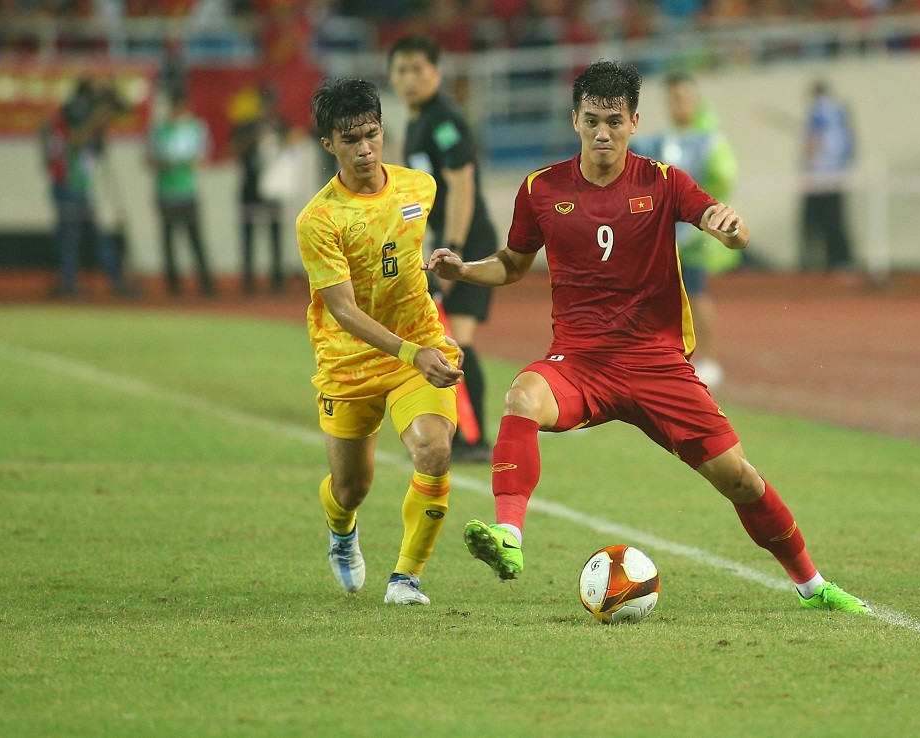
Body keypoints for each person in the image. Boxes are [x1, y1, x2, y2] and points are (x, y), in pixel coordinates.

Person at [425, 61, 869, 613]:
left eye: (614, 121)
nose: (602, 132)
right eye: (592, 120)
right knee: (522, 395)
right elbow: (514, 264)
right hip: (579, 363)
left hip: (657, 364)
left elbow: (724, 226)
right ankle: (509, 536)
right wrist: (465, 270)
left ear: (634, 122)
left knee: (741, 480)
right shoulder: (541, 188)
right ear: (575, 120)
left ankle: (812, 584)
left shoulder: (663, 182)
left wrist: (732, 230)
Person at [297, 78, 464, 604]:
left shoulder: (420, 187)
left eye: (372, 134)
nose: (365, 149)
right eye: (350, 140)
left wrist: (442, 268)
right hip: (350, 360)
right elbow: (343, 309)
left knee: (433, 449)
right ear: (329, 144)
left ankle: (406, 579)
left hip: (419, 345)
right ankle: (341, 528)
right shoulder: (319, 219)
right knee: (352, 488)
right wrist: (413, 352)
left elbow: (404, 256)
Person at [389, 35, 498, 463]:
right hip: (446, 243)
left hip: (467, 241)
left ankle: (476, 440)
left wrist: (453, 250)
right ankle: (461, 436)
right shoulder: (417, 123)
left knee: (458, 338)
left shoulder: (445, 120)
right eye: (401, 70)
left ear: (436, 72)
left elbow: (461, 184)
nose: (409, 78)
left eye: (418, 69)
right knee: (446, 337)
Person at [633, 71, 739, 389]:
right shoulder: (663, 139)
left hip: (692, 234)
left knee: (695, 292)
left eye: (682, 97)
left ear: (694, 99)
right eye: (672, 99)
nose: (677, 104)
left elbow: (723, 178)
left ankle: (709, 359)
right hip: (661, 234)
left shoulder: (709, 140)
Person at [41, 77, 132, 297]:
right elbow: (74, 142)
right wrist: (95, 121)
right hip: (69, 186)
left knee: (83, 235)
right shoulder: (73, 120)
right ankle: (71, 283)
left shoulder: (76, 121)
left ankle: (107, 279)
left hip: (78, 186)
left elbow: (89, 153)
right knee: (72, 236)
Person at [148, 90, 215, 296]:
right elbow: (150, 159)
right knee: (168, 239)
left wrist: (189, 161)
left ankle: (206, 283)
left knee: (195, 237)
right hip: (166, 190)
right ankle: (173, 285)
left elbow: (203, 157)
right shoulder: (159, 129)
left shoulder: (196, 127)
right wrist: (165, 162)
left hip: (187, 189)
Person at [230, 84, 287, 295]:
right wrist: (253, 138)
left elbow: (292, 152)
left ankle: (277, 280)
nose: (268, 108)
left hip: (274, 188)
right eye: (265, 103)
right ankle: (248, 281)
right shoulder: (246, 126)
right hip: (250, 187)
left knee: (275, 234)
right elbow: (233, 150)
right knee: (248, 234)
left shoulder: (281, 126)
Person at [800, 80, 855, 272]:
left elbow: (812, 141)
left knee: (813, 222)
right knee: (835, 220)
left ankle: (811, 263)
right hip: (836, 173)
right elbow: (848, 145)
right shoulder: (839, 110)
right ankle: (840, 259)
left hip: (819, 177)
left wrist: (808, 159)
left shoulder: (818, 108)